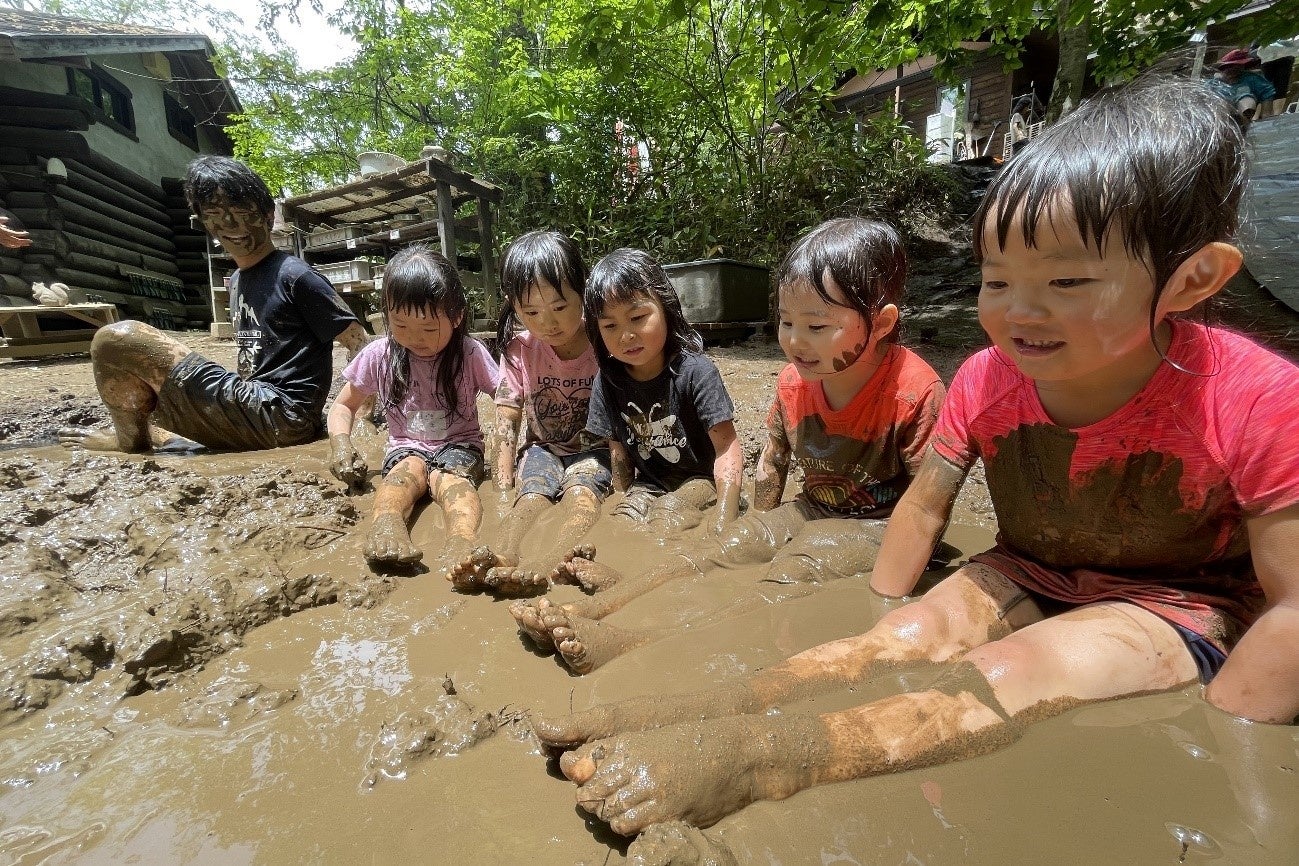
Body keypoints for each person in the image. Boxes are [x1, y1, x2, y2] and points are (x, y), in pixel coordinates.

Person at [529, 76, 1299, 838]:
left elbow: (1292, 604)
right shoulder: (987, 377)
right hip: (1026, 567)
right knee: (894, 642)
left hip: (1175, 602)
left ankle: (769, 756)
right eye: (997, 280)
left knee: (1020, 668)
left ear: (1190, 279)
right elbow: (925, 506)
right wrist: (886, 615)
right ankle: (688, 711)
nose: (1019, 311)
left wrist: (1229, 742)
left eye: (1065, 280)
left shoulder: (1257, 397)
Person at [509, 219, 949, 673]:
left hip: (881, 523)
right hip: (814, 506)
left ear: (880, 324)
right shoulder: (793, 383)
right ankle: (598, 606)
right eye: (786, 322)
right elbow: (773, 466)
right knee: (731, 545)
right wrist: (752, 526)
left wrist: (894, 597)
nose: (795, 341)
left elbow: (927, 507)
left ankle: (634, 639)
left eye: (817, 326)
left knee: (797, 565)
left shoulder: (914, 391)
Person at [58, 156, 368, 452]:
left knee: (116, 339)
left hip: (282, 413)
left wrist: (361, 421)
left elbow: (360, 344)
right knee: (142, 402)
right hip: (253, 405)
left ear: (268, 214)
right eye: (216, 213)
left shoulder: (295, 275)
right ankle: (147, 433)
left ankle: (130, 442)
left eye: (242, 209)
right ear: (206, 224)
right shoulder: (236, 281)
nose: (232, 222)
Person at [446, 231, 611, 594]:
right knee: (531, 497)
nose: (547, 323)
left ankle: (553, 558)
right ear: (514, 306)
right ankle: (501, 554)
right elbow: (507, 418)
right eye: (531, 312)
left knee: (581, 495)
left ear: (582, 292)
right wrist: (502, 488)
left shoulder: (604, 341)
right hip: (543, 450)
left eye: (560, 307)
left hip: (594, 452)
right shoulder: (519, 349)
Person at [328, 246, 500, 568]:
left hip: (459, 445)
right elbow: (342, 406)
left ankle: (462, 540)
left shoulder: (470, 353)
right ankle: (386, 524)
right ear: (386, 316)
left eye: (429, 328)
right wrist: (340, 444)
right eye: (401, 325)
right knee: (401, 479)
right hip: (406, 447)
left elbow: (506, 401)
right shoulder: (379, 354)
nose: (415, 338)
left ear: (457, 316)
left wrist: (517, 450)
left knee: (454, 483)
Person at [579, 248, 743, 536]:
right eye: (610, 325)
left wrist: (725, 515)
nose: (626, 335)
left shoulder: (696, 371)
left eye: (638, 317)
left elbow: (727, 446)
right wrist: (623, 498)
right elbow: (618, 454)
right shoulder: (607, 382)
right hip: (650, 484)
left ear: (666, 308)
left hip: (700, 481)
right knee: (619, 527)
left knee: (666, 518)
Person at [1209, 48, 1276, 121]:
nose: (1233, 71)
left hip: (1243, 112)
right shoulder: (1214, 84)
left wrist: (1266, 115)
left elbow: (1267, 91)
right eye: (1230, 68)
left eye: (1237, 67)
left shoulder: (1251, 79)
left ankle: (1243, 122)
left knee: (1247, 101)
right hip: (1220, 113)